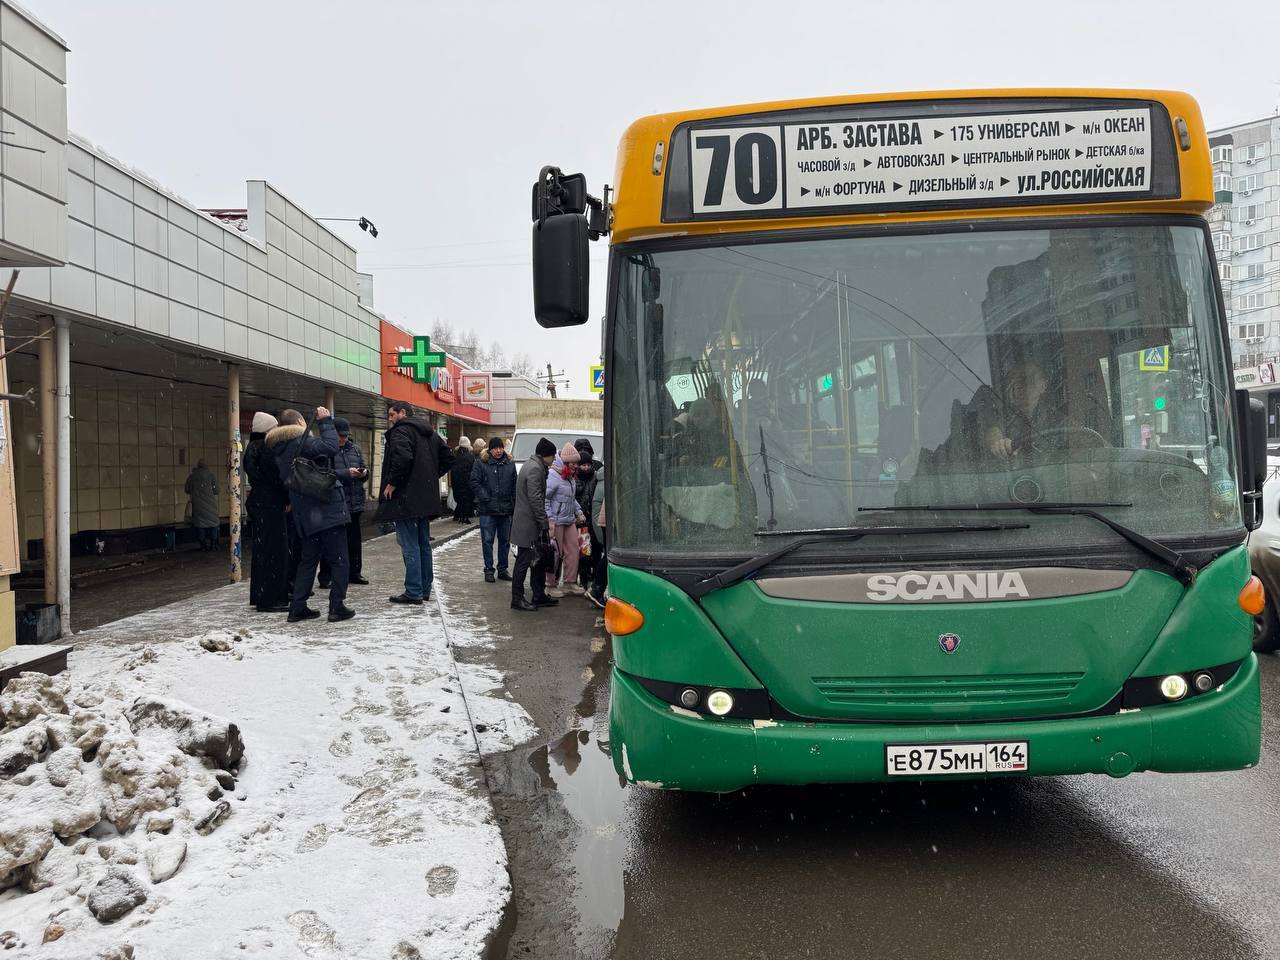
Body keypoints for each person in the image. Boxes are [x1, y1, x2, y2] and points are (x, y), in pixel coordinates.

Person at [270, 406, 354, 623]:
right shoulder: (301, 441)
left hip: (306, 515)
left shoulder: (280, 448)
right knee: (339, 560)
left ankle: (298, 607)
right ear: (299, 422)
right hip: (326, 508)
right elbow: (330, 447)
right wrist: (325, 422)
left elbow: (313, 474)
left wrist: (345, 474)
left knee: (308, 561)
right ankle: (337, 606)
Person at [377, 401, 454, 605]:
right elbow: (448, 457)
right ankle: (424, 588)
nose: (390, 419)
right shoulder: (430, 433)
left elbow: (402, 458)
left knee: (409, 545)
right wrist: (429, 476)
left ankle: (413, 591)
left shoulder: (401, 432)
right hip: (425, 499)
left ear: (403, 413)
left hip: (406, 499)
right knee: (423, 545)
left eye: (392, 414)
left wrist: (393, 482)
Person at [243, 412, 290, 612]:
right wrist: (287, 497)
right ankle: (272, 599)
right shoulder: (267, 448)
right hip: (271, 505)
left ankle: (261, 595)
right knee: (275, 551)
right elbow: (277, 477)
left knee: (262, 552)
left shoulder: (251, 449)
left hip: (259, 505)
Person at [319, 418, 370, 589]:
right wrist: (346, 473)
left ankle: (354, 572)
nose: (343, 439)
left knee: (354, 541)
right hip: (335, 504)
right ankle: (326, 575)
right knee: (331, 543)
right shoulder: (325, 450)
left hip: (354, 502)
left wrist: (364, 473)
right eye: (340, 435)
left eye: (346, 436)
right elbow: (323, 474)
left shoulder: (354, 449)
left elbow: (363, 467)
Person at [510, 437, 557, 612]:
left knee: (537, 560)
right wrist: (543, 522)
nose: (553, 460)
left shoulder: (532, 465)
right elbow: (536, 499)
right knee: (523, 561)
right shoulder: (536, 469)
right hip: (528, 524)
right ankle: (517, 598)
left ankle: (538, 595)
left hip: (528, 522)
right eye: (552, 456)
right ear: (546, 455)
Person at [471, 436, 517, 584]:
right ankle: (489, 569)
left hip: (505, 510)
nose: (498, 450)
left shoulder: (510, 464)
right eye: (495, 448)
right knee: (487, 541)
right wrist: (485, 497)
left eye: (500, 447)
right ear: (490, 450)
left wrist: (515, 505)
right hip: (488, 510)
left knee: (505, 542)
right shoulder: (481, 463)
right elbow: (474, 482)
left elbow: (515, 486)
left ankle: (503, 569)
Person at [544, 443, 584, 597]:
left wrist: (578, 511)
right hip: (557, 521)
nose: (576, 466)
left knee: (573, 551)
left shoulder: (569, 477)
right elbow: (545, 499)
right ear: (566, 462)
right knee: (554, 553)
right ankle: (550, 584)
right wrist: (550, 520)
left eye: (577, 463)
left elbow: (571, 498)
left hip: (569, 520)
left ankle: (569, 582)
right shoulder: (553, 476)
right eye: (573, 463)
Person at [573, 438, 603, 592]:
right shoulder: (573, 474)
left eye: (588, 464)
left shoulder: (597, 472)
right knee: (584, 554)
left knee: (597, 552)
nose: (585, 467)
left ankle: (594, 580)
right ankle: (584, 580)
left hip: (595, 519)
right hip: (581, 522)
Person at [184, 459, 219, 551]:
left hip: (197, 505)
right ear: (206, 466)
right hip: (211, 505)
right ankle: (213, 544)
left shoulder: (192, 476)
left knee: (200, 524)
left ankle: (203, 546)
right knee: (214, 523)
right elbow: (217, 490)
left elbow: (187, 489)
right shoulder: (211, 476)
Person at [450, 436, 477, 523]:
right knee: (466, 499)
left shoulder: (454, 455)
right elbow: (473, 470)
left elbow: (452, 469)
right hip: (467, 482)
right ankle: (465, 517)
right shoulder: (470, 456)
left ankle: (459, 515)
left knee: (460, 499)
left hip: (456, 481)